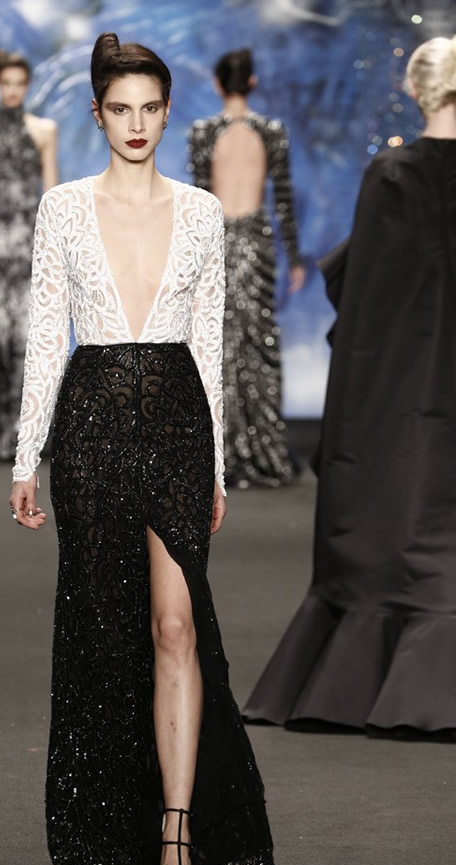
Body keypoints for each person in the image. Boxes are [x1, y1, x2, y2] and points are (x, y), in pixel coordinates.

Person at [9, 32, 285, 865]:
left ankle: (176, 844)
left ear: (168, 114)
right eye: (120, 109)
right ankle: (110, 845)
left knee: (175, 626)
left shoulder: (201, 212)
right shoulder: (62, 207)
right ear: (98, 115)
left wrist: (221, 466)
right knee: (105, 639)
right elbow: (46, 332)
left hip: (176, 421)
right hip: (90, 423)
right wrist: (26, 455)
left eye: (150, 108)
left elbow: (208, 343)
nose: (136, 124)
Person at [243, 36, 456, 740]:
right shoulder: (391, 173)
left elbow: (366, 304)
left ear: (414, 91)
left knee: (392, 494)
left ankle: (370, 667)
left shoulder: (392, 173)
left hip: (401, 379)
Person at [188, 48, 304, 489]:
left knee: (214, 344)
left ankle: (218, 452)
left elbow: (199, 201)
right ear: (252, 82)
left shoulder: (202, 132)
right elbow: (284, 200)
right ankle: (263, 448)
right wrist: (294, 258)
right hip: (257, 244)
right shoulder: (272, 131)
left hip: (216, 244)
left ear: (218, 84)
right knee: (257, 342)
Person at [0, 50, 58, 459]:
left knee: (27, 340)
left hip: (29, 250)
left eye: (20, 83)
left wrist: (54, 254)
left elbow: (52, 197)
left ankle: (24, 432)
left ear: (27, 85)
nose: (13, 90)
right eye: (7, 83)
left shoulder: (44, 131)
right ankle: (4, 422)